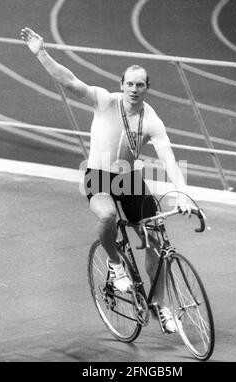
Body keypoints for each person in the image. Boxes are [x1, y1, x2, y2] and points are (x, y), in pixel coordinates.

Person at [21, 27, 193, 333]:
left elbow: (168, 158)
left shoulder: (151, 120)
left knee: (156, 238)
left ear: (147, 88)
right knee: (108, 216)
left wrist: (182, 194)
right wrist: (41, 53)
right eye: (129, 84)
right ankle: (115, 263)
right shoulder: (105, 101)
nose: (134, 89)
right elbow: (70, 81)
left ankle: (161, 305)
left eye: (140, 85)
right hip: (98, 176)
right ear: (122, 85)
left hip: (128, 179)